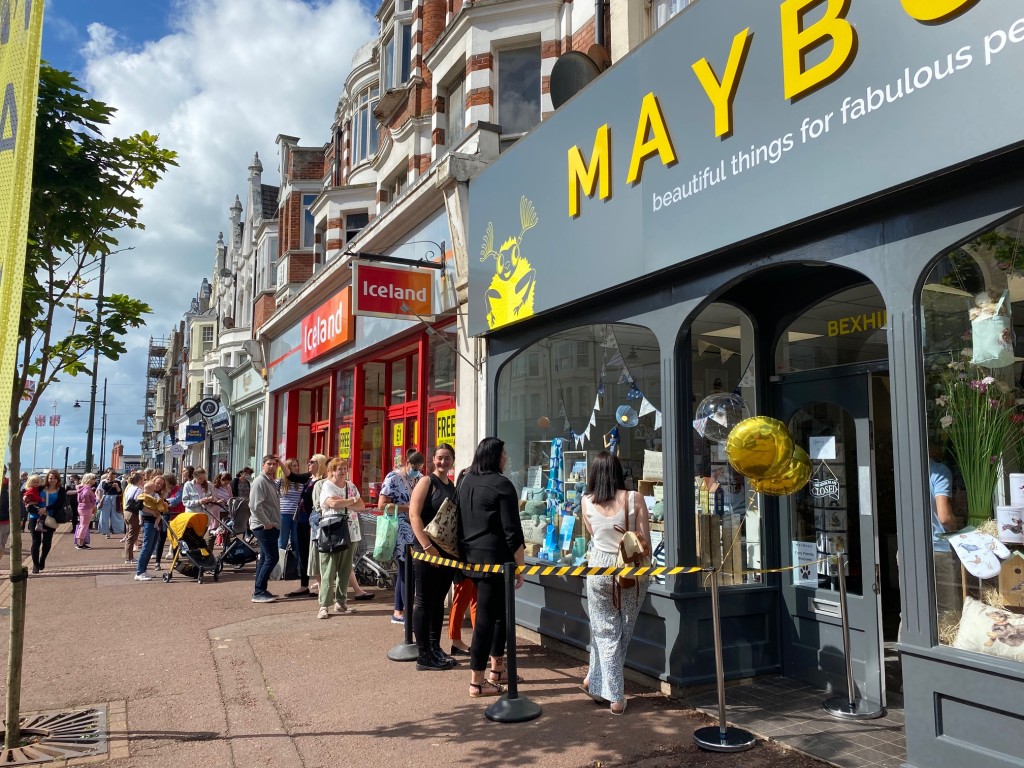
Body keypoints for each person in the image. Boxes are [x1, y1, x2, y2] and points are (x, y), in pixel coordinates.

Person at [580, 450, 651, 715]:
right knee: (623, 630)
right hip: (628, 568)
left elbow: (592, 532)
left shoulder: (586, 500)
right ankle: (617, 697)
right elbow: (644, 541)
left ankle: (593, 680)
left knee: (603, 630)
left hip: (598, 565)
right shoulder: (634, 498)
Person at [457, 437, 525, 698]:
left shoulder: (466, 481)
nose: (506, 458)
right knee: (486, 618)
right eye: (503, 454)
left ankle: (497, 669)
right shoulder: (501, 484)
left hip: (470, 556)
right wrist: (521, 566)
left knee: (498, 614)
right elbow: (513, 531)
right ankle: (477, 681)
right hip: (496, 560)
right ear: (495, 456)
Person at [409, 443, 459, 670]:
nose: (443, 462)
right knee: (423, 601)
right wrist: (427, 547)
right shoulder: (426, 481)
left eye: (447, 458)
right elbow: (414, 514)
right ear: (433, 459)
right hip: (426, 551)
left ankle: (434, 647)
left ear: (452, 460)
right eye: (439, 458)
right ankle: (423, 655)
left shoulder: (452, 485)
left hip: (445, 554)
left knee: (438, 602)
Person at [379, 450, 426, 624]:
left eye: (420, 468)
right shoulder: (393, 478)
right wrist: (409, 508)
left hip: (416, 529)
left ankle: (398, 611)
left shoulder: (420, 478)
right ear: (407, 463)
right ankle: (408, 614)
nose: (416, 471)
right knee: (407, 571)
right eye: (414, 467)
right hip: (401, 530)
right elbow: (383, 505)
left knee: (405, 571)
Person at [315, 458, 363, 619]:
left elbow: (361, 505)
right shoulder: (327, 486)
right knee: (328, 568)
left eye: (345, 468)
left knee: (345, 568)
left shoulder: (351, 486)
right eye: (339, 468)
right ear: (332, 470)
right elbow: (332, 504)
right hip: (332, 532)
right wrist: (351, 502)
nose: (343, 471)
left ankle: (341, 602)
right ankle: (324, 605)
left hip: (351, 531)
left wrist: (343, 502)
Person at [284, 454, 328, 598]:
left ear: (320, 464)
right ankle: (304, 585)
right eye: (308, 461)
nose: (308, 464)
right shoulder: (309, 477)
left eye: (312, 462)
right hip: (301, 519)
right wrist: (280, 462)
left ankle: (321, 585)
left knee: (314, 553)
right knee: (303, 552)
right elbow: (291, 476)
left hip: (313, 522)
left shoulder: (322, 482)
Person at [930, 445, 962, 618]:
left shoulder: (903, 471)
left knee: (911, 609)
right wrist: (957, 527)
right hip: (937, 550)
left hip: (908, 551)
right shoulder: (939, 471)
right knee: (946, 610)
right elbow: (944, 517)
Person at [249, 455, 282, 603]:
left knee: (264, 558)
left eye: (274, 464)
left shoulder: (270, 481)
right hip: (263, 526)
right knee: (272, 557)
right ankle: (258, 592)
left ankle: (261, 589)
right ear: (263, 465)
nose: (272, 466)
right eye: (269, 464)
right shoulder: (260, 481)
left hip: (270, 525)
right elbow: (255, 505)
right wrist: (266, 523)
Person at [135, 476, 168, 581]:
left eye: (161, 484)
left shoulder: (158, 495)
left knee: (152, 546)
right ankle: (139, 572)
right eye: (157, 483)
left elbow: (163, 506)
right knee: (147, 546)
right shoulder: (144, 493)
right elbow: (137, 506)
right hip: (149, 521)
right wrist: (152, 512)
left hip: (157, 522)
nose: (159, 486)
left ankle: (143, 570)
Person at [33, 470, 66, 573]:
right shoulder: (40, 488)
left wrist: (46, 508)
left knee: (47, 542)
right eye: (50, 478)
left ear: (58, 479)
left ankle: (42, 559)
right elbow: (30, 496)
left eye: (54, 478)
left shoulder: (61, 490)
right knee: (36, 541)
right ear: (47, 478)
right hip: (35, 517)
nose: (52, 480)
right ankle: (35, 564)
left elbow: (59, 504)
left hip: (50, 519)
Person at [278, 458, 303, 566]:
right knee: (282, 541)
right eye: (294, 466)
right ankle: (279, 567)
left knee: (296, 541)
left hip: (296, 515)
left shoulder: (301, 481)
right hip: (283, 514)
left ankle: (296, 567)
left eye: (297, 465)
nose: (297, 468)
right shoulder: (280, 482)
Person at [182, 467, 213, 533]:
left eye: (204, 478)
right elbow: (185, 502)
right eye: (200, 478)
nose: (202, 480)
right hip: (192, 516)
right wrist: (199, 502)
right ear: (194, 477)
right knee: (193, 538)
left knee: (201, 537)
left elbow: (214, 497)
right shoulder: (188, 485)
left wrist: (210, 499)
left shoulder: (209, 484)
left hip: (205, 516)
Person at [96, 468, 125, 539]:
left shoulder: (118, 481)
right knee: (105, 515)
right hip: (106, 497)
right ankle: (105, 531)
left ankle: (118, 530)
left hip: (115, 498)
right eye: (110, 475)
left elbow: (120, 492)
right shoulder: (103, 481)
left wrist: (117, 486)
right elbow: (101, 490)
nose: (112, 477)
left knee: (116, 514)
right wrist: (99, 500)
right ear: (107, 474)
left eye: (113, 475)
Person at [123, 471, 144, 564]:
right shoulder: (138, 489)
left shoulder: (130, 487)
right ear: (139, 480)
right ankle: (129, 558)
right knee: (132, 536)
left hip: (127, 511)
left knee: (129, 534)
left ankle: (128, 556)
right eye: (142, 479)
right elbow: (138, 502)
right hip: (133, 513)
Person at [75, 473, 99, 549]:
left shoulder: (81, 487)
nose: (94, 480)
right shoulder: (88, 488)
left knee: (82, 525)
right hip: (87, 508)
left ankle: (80, 542)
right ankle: (81, 544)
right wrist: (90, 503)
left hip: (81, 507)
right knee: (84, 526)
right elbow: (85, 495)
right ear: (89, 480)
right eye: (93, 479)